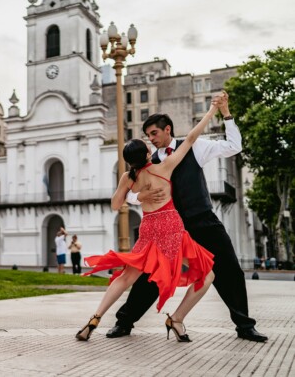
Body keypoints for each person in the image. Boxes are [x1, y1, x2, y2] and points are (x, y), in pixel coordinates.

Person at [104, 91, 267, 343]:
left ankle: (245, 326)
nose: (151, 140)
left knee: (229, 270)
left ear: (167, 129)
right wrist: (142, 198)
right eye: (147, 136)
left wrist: (225, 112)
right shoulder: (149, 162)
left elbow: (235, 146)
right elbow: (130, 193)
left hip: (203, 220)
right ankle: (124, 322)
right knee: (150, 277)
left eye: (154, 134)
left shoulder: (196, 146)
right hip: (170, 227)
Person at [76, 99, 220, 342]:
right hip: (172, 231)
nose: (150, 144)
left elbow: (114, 205)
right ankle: (177, 318)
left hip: (149, 231)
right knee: (207, 276)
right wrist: (212, 110)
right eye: (147, 144)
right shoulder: (163, 168)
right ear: (145, 154)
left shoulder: (127, 177)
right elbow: (193, 137)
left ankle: (95, 318)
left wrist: (137, 195)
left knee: (126, 278)